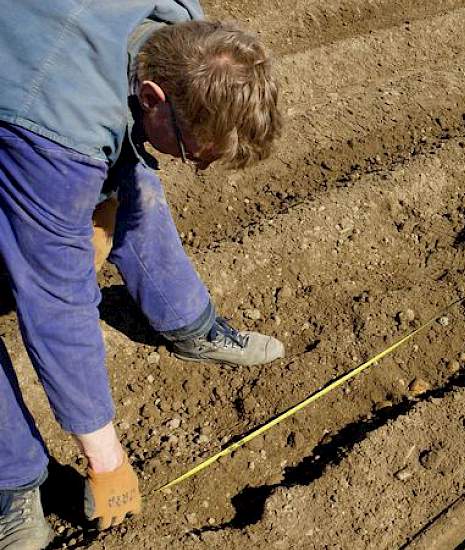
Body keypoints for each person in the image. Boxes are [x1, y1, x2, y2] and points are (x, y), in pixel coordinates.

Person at [0, 2, 285, 546]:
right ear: (154, 94)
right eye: (191, 152)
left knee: (137, 175)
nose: (191, 165)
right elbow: (56, 300)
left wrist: (109, 198)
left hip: (48, 64)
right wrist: (106, 459)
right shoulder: (55, 133)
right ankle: (10, 485)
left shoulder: (173, 22)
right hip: (27, 96)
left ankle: (188, 325)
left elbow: (130, 148)